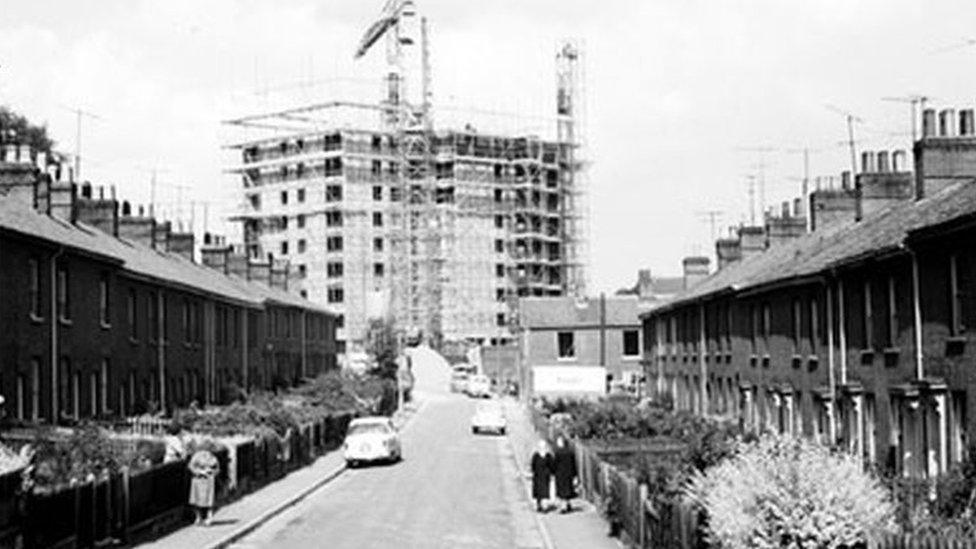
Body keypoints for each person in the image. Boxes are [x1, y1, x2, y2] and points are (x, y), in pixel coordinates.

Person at [188, 446, 219, 526]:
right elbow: (191, 466)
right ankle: (198, 517)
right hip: (198, 480)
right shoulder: (196, 456)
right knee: (196, 499)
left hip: (209, 480)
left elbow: (217, 468)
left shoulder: (212, 456)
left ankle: (209, 517)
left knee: (209, 500)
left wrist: (211, 471)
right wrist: (200, 472)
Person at [552, 434, 578, 513]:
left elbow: (555, 464)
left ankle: (564, 507)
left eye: (558, 442)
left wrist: (553, 472)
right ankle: (568, 504)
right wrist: (575, 475)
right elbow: (574, 464)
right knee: (568, 490)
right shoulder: (570, 452)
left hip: (560, 474)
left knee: (562, 491)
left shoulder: (558, 453)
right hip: (569, 474)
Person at [530, 440, 554, 512]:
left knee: (544, 492)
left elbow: (551, 466)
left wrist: (551, 473)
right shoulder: (536, 455)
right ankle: (539, 505)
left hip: (544, 476)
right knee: (538, 492)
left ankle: (544, 507)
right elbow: (533, 465)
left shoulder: (548, 456)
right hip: (538, 476)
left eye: (543, 446)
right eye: (541, 446)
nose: (542, 447)